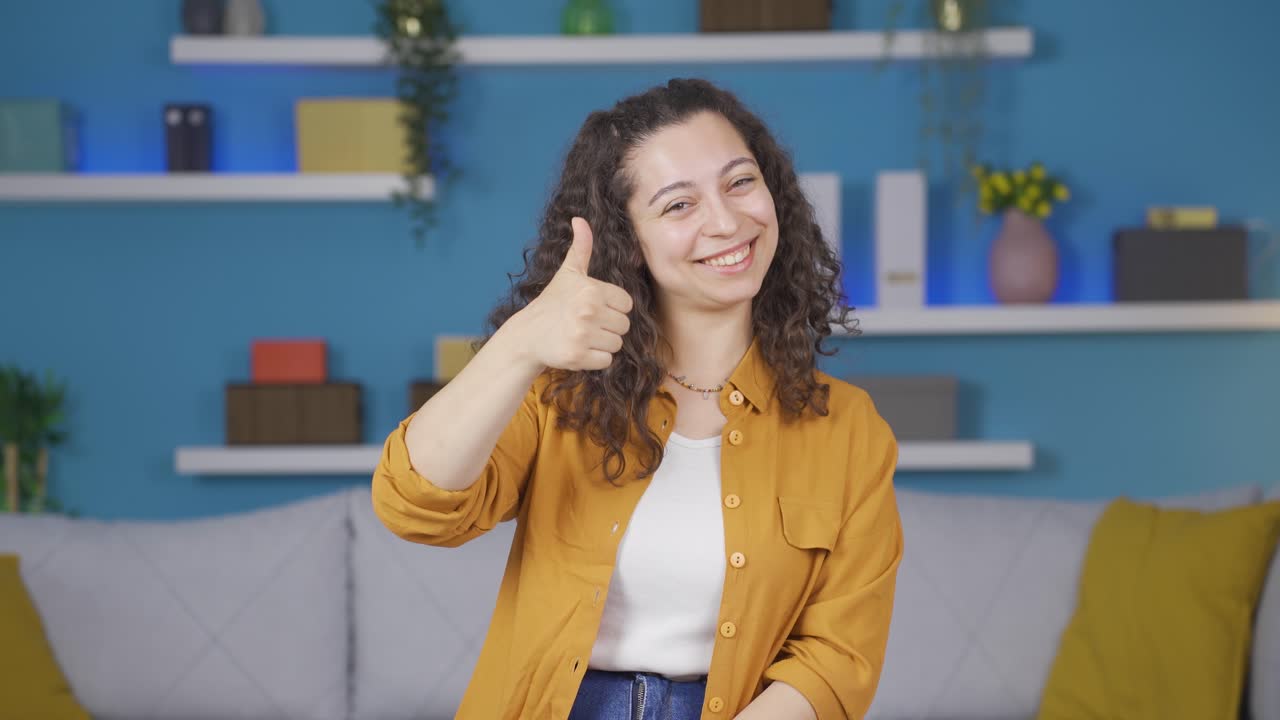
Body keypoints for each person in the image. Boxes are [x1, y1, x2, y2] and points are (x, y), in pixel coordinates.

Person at [372, 77, 903, 720]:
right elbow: (415, 506)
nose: (726, 221)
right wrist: (519, 344)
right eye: (679, 205)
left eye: (740, 182)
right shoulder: (557, 395)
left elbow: (836, 659)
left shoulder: (849, 429)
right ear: (629, 239)